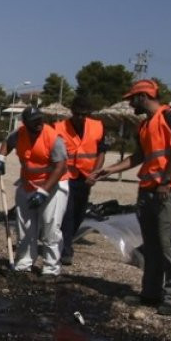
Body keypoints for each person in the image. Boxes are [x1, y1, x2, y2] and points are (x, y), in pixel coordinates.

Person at [89, 80, 171, 316]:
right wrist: (110, 170)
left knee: (169, 244)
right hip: (148, 189)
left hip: (169, 190)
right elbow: (140, 156)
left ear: (143, 97)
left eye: (131, 99)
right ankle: (150, 293)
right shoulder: (145, 126)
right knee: (153, 245)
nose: (129, 103)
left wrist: (166, 181)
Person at [0, 106, 68, 277]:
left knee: (50, 226)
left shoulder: (53, 138)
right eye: (34, 122)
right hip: (27, 184)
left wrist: (43, 192)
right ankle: (25, 262)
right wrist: (0, 157)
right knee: (25, 226)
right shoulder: (19, 134)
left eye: (40, 120)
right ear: (25, 123)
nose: (39, 124)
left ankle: (51, 267)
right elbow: (7, 143)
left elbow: (61, 168)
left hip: (54, 186)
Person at [56, 95, 105, 265]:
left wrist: (96, 172)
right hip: (66, 176)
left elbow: (101, 152)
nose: (81, 117)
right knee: (67, 214)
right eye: (77, 114)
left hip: (86, 177)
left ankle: (67, 241)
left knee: (79, 213)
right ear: (72, 112)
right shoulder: (59, 128)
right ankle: (66, 249)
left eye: (84, 114)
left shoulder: (97, 127)